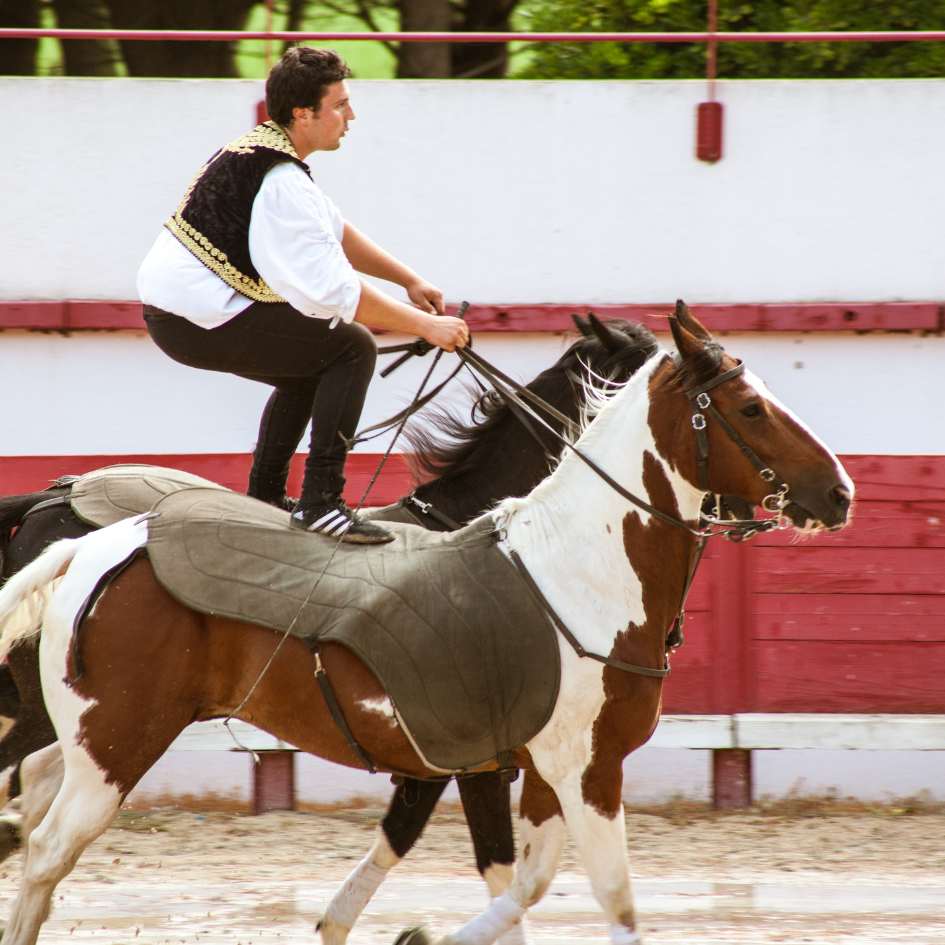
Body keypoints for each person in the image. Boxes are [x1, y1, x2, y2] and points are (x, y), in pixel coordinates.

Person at [137, 46, 468, 544]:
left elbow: (334, 231)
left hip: (181, 314)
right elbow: (334, 291)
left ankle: (267, 496)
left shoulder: (265, 151)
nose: (350, 116)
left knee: (311, 361)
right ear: (302, 113)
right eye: (340, 105)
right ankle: (321, 503)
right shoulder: (281, 179)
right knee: (351, 346)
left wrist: (408, 279)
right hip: (194, 317)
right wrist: (425, 326)